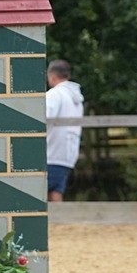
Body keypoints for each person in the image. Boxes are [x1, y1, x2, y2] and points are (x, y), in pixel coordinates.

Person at [46, 59, 84, 202]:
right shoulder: (76, 99)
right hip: (68, 154)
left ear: (52, 76)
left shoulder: (54, 95)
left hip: (51, 152)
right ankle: (60, 222)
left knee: (40, 193)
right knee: (56, 191)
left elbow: (44, 117)